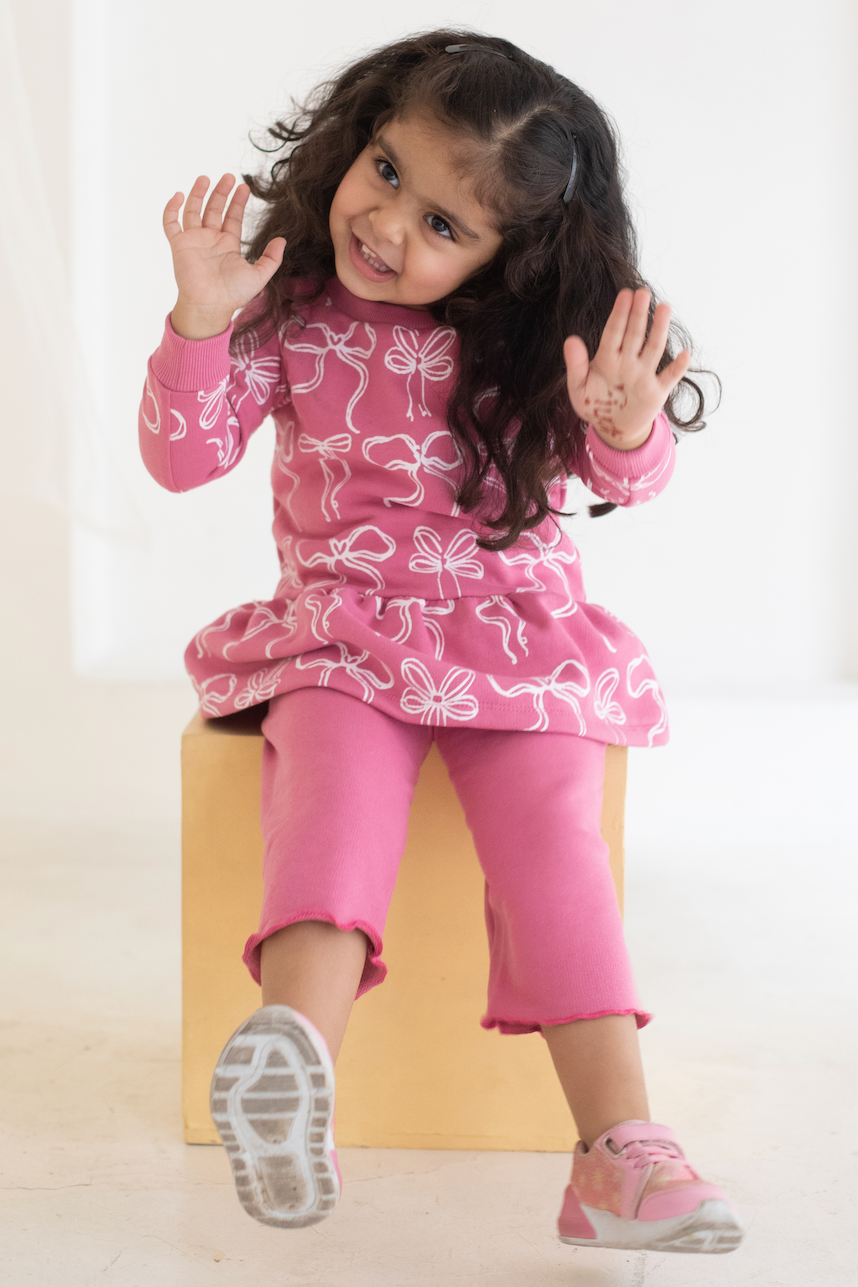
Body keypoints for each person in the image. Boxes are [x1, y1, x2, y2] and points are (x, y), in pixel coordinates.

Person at [140, 29, 743, 1254]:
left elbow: (621, 468)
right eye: (386, 171)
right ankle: (291, 1069)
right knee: (332, 802)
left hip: (516, 644)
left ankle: (617, 1152)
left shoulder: (528, 350)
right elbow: (181, 455)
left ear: (514, 259)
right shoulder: (291, 306)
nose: (389, 225)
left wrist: (624, 425)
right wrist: (201, 320)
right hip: (342, 640)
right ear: (352, 141)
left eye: (445, 227)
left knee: (552, 847)